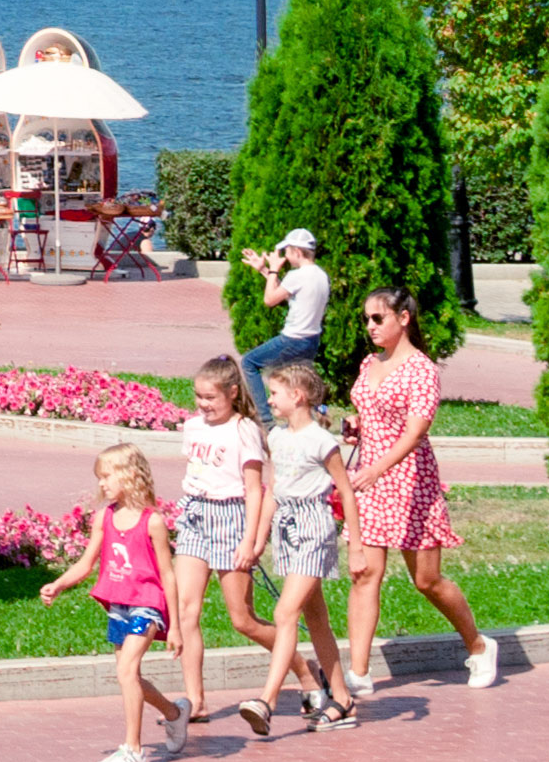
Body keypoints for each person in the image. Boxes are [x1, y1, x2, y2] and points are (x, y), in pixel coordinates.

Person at [343, 285, 502, 692]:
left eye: (378, 318)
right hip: (371, 482)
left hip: (411, 483)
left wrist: (377, 467)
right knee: (364, 574)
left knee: (426, 581)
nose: (370, 326)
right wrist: (357, 425)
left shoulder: (422, 370)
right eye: (367, 319)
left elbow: (416, 432)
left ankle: (479, 646)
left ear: (403, 319)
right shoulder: (369, 364)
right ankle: (358, 673)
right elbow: (372, 411)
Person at [37, 443, 189, 762]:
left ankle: (133, 750)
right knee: (129, 675)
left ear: (130, 475)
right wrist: (59, 584)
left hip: (147, 606)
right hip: (119, 605)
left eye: (107, 477)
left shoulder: (152, 522)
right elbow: (87, 562)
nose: (102, 484)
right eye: (99, 478)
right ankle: (175, 714)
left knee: (126, 670)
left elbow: (168, 574)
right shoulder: (104, 517)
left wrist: (175, 625)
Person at [234, 361, 360, 735]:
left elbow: (346, 492)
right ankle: (342, 698)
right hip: (288, 529)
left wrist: (355, 547)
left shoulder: (321, 441)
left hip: (314, 527)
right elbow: (275, 490)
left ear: (297, 396)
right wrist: (258, 539)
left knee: (285, 612)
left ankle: (267, 701)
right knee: (315, 618)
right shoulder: (278, 438)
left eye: (274, 393)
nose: (268, 400)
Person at [165, 356, 283, 724]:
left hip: (231, 518)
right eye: (198, 396)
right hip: (197, 517)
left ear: (232, 393)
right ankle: (195, 701)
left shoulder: (243, 430)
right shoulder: (193, 427)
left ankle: (304, 666)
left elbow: (253, 489)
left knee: (242, 619)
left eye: (211, 397)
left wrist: (250, 541)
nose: (203, 404)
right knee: (186, 610)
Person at [238, 225, 333, 424]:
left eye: (288, 252)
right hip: (311, 339)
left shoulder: (297, 275)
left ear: (297, 252)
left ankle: (265, 420)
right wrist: (264, 270)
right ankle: (315, 417)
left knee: (249, 363)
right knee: (298, 382)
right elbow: (285, 291)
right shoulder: (320, 275)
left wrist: (273, 269)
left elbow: (270, 299)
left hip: (292, 339)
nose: (286, 257)